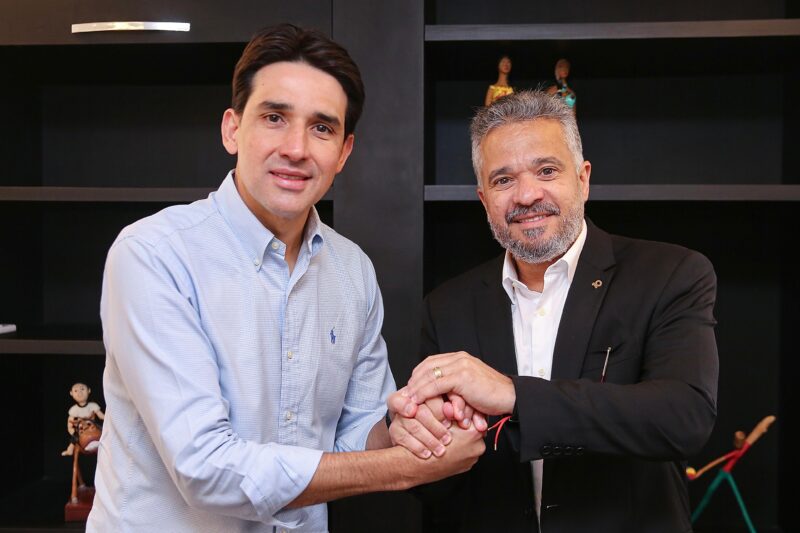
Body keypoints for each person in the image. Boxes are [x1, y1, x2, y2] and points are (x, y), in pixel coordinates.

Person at [88, 24, 485, 532]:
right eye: (274, 118)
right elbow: (205, 469)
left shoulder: (352, 270)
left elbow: (357, 431)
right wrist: (405, 468)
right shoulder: (154, 255)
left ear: (344, 152)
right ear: (232, 130)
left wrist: (411, 429)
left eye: (321, 128)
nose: (296, 148)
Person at [389, 90, 719, 532]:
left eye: (546, 170)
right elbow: (434, 489)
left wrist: (514, 395)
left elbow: (684, 418)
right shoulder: (446, 307)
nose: (527, 195)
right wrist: (417, 434)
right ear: (484, 199)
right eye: (503, 180)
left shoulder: (669, 274)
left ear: (583, 179)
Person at [61, 382, 104, 456]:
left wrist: (109, 418)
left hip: (92, 425)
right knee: (74, 438)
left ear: (89, 390)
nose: (79, 392)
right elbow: (70, 424)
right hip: (81, 428)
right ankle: (70, 450)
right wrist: (73, 432)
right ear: (71, 393)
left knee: (103, 429)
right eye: (76, 391)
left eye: (82, 389)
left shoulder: (93, 405)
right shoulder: (73, 410)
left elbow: (101, 416)